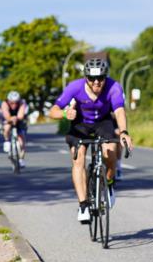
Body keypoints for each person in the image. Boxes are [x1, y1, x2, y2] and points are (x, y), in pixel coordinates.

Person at [47, 58, 133, 224]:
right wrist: (65, 114)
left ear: (105, 77)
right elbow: (53, 111)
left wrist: (123, 132)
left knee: (110, 153)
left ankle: (109, 183)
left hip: (103, 123)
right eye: (92, 78)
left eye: (100, 78)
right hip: (80, 124)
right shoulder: (74, 86)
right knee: (78, 158)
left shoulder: (113, 87)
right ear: (85, 77)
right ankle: (83, 205)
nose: (96, 82)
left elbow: (120, 111)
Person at [0, 91, 29, 168]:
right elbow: (6, 115)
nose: (14, 105)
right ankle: (6, 141)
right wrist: (10, 119)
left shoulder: (22, 103)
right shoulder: (4, 104)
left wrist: (17, 118)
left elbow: (21, 115)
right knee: (6, 128)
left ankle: (21, 159)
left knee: (22, 141)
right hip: (8, 118)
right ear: (8, 101)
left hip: (18, 120)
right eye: (12, 103)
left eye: (16, 102)